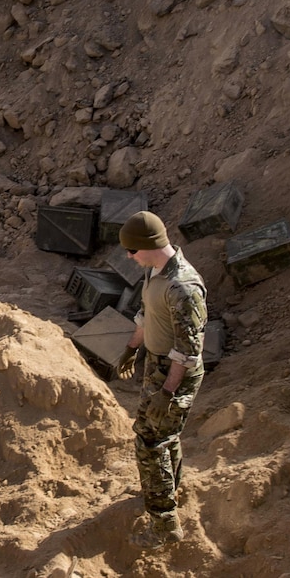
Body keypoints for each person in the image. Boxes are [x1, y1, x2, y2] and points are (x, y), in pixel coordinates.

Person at [114, 211, 207, 550]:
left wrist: (168, 391)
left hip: (174, 374)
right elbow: (147, 314)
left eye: (131, 251)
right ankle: (168, 485)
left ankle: (164, 524)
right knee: (163, 435)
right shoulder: (155, 270)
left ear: (147, 247)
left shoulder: (183, 287)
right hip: (158, 367)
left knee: (149, 442)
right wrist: (131, 349)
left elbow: (189, 351)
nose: (128, 256)